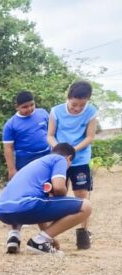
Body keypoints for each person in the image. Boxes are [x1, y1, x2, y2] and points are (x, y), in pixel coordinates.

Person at [0, 143, 91, 255]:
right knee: (86, 206)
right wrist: (59, 192)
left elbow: (40, 209)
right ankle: (38, 242)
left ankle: (14, 237)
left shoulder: (36, 163)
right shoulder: (60, 159)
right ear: (68, 158)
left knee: (26, 201)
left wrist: (49, 236)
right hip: (25, 206)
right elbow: (59, 187)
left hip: (1, 210)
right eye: (70, 163)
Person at [48, 80, 98, 249]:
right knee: (57, 194)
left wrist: (73, 150)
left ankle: (83, 233)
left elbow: (90, 137)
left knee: (82, 195)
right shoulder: (56, 111)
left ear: (88, 100)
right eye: (74, 104)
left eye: (81, 105)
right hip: (59, 159)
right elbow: (50, 135)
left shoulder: (91, 112)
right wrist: (60, 151)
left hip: (80, 159)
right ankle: (51, 234)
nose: (77, 108)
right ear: (68, 97)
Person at [3, 90, 51, 180]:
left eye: (32, 105)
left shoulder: (43, 113)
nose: (29, 109)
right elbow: (8, 148)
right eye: (25, 107)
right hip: (25, 160)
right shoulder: (10, 125)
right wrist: (12, 170)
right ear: (17, 107)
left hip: (46, 155)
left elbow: (52, 133)